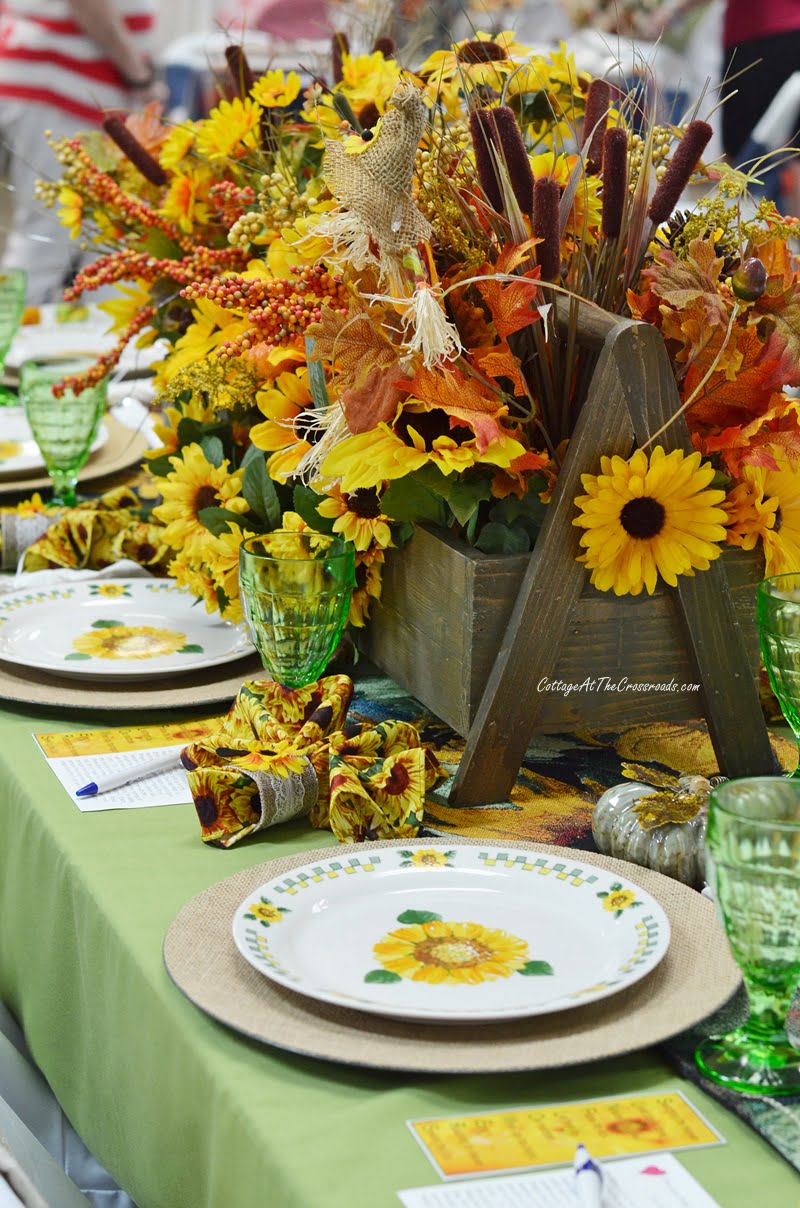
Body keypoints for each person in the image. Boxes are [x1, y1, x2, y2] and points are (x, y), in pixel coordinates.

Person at [0, 0, 158, 303]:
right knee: (45, 238)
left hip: (69, 85)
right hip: (59, 82)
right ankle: (10, 343)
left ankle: (97, 345)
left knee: (106, 239)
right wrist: (138, 74)